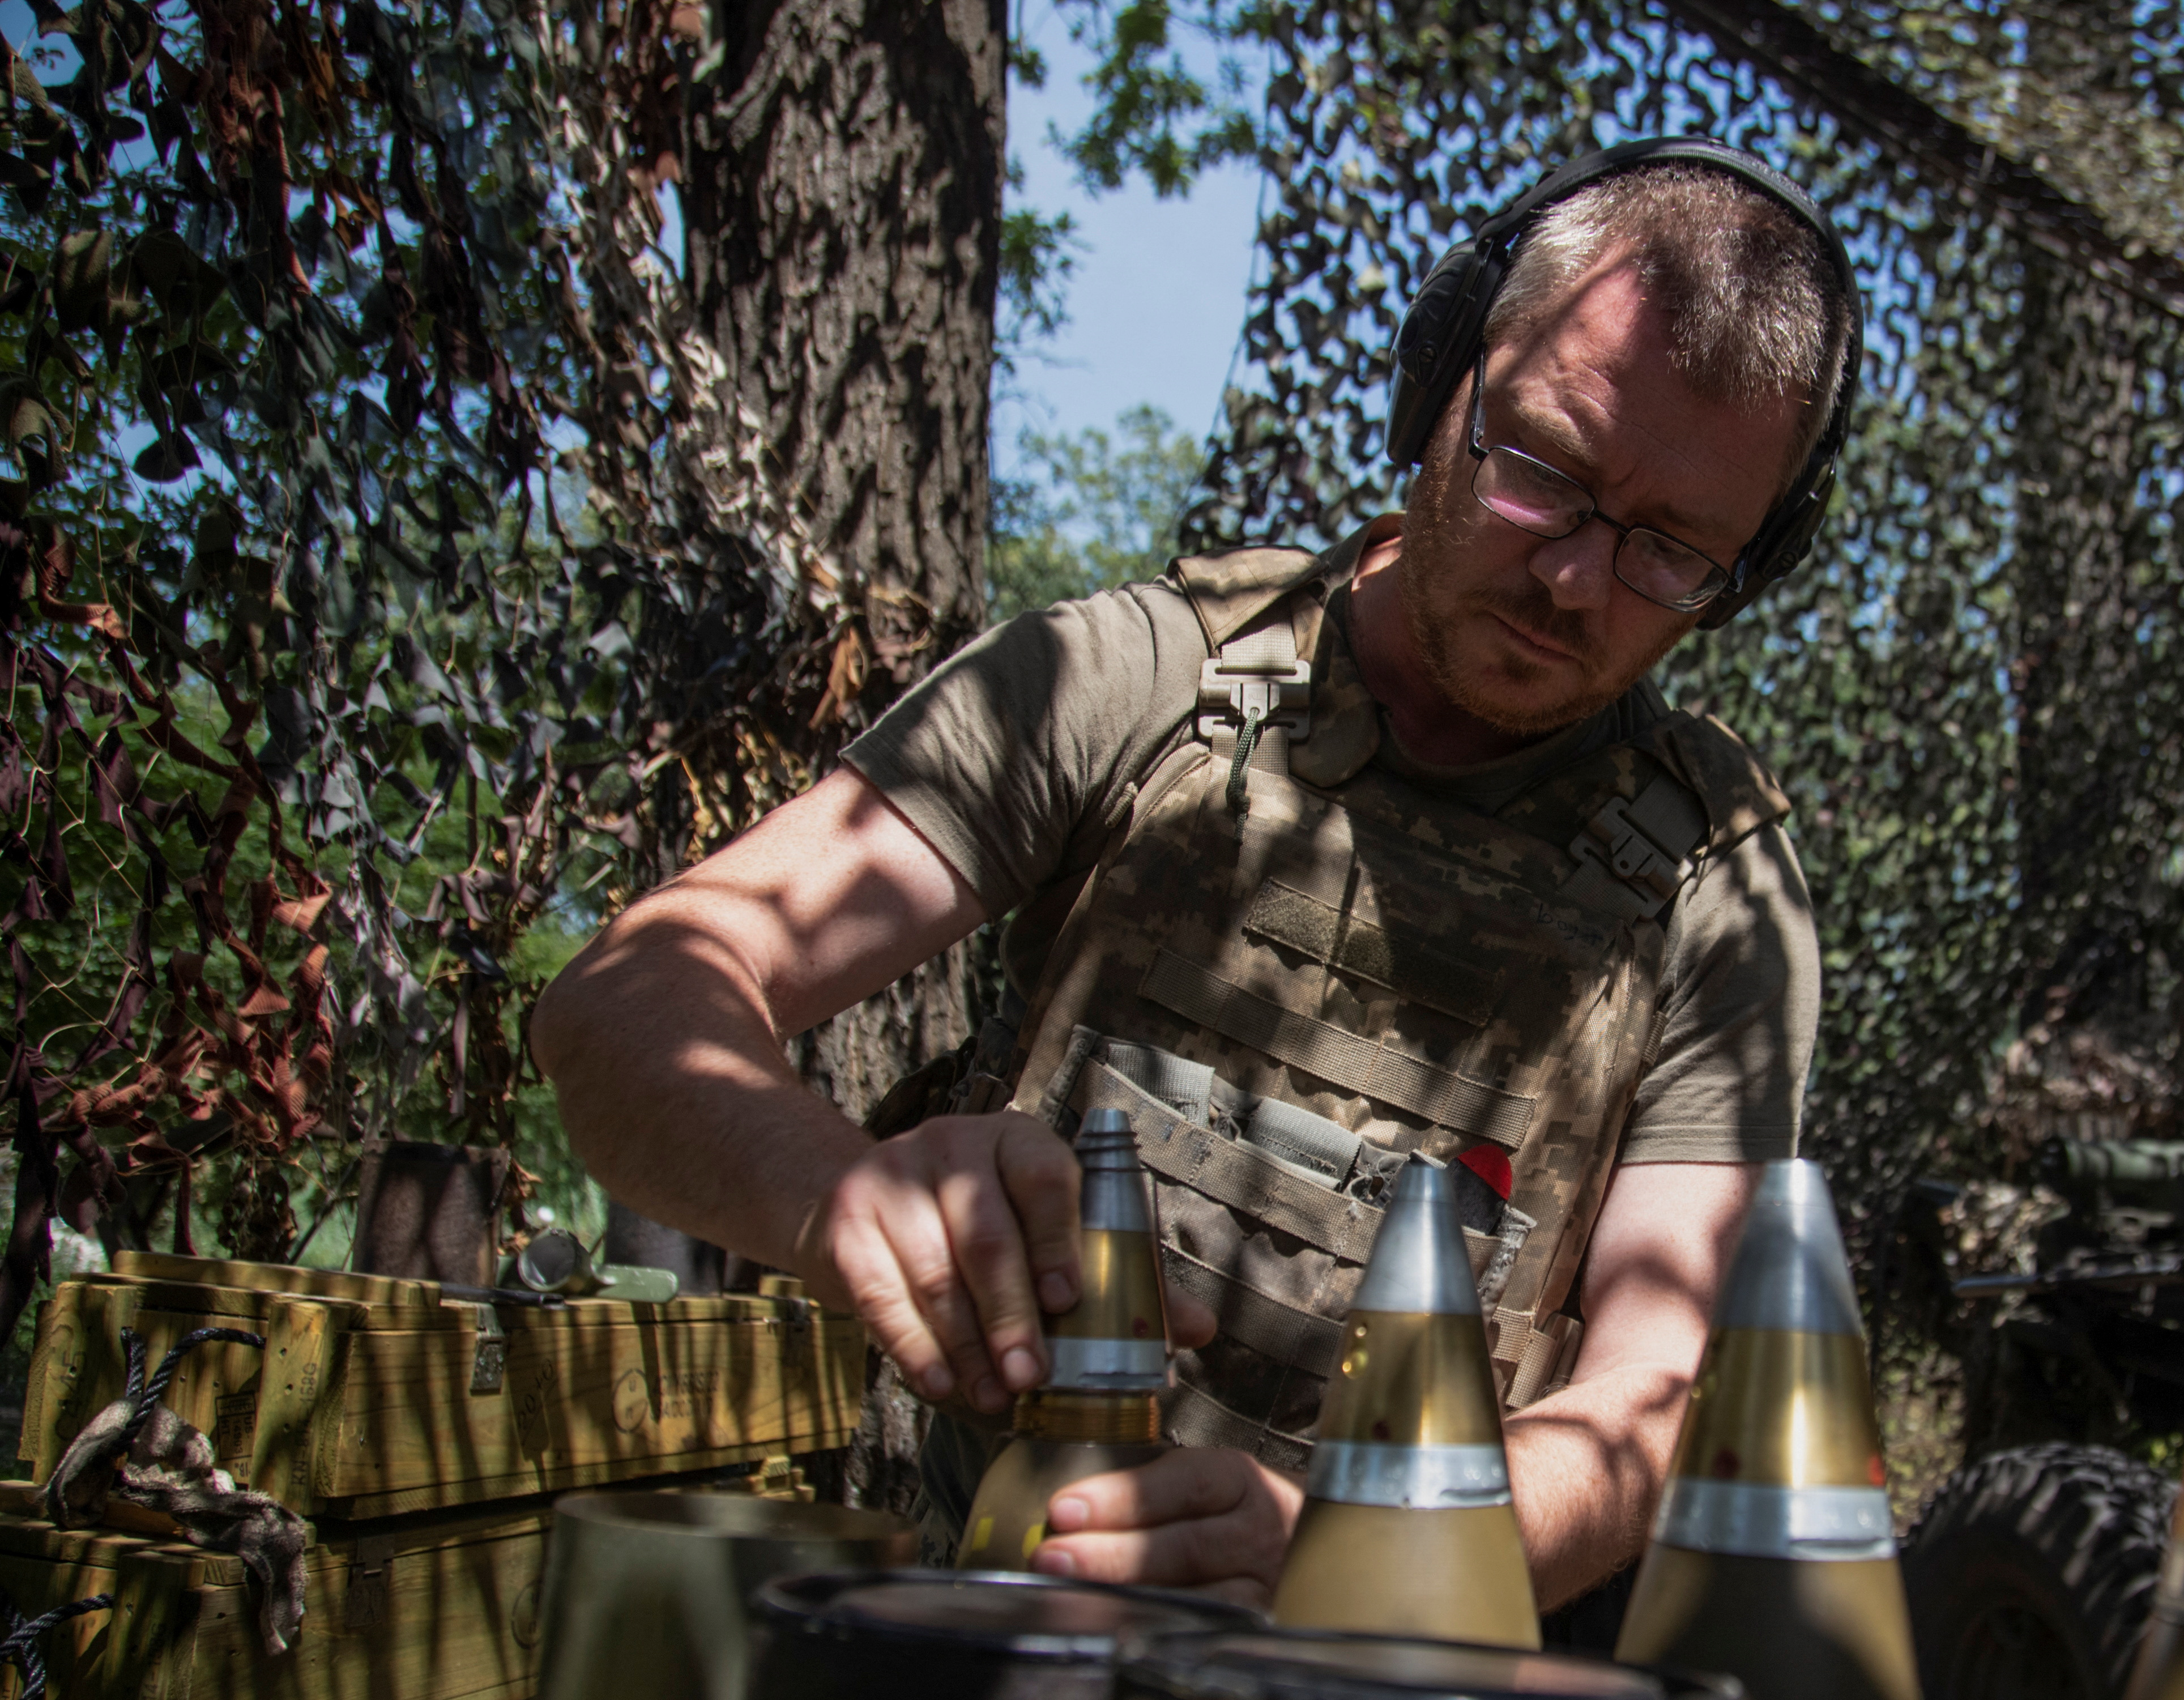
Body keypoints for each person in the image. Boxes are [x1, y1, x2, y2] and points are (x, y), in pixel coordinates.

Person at [531, 137, 1857, 1609]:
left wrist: (1361, 1548)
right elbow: (626, 1006)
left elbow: (1663, 1391)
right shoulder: (1144, 682)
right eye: (1546, 468)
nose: (1575, 583)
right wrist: (836, 1199)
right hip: (1006, 1643)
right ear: (1442, 386)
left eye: (1674, 553)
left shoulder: (1716, 887)